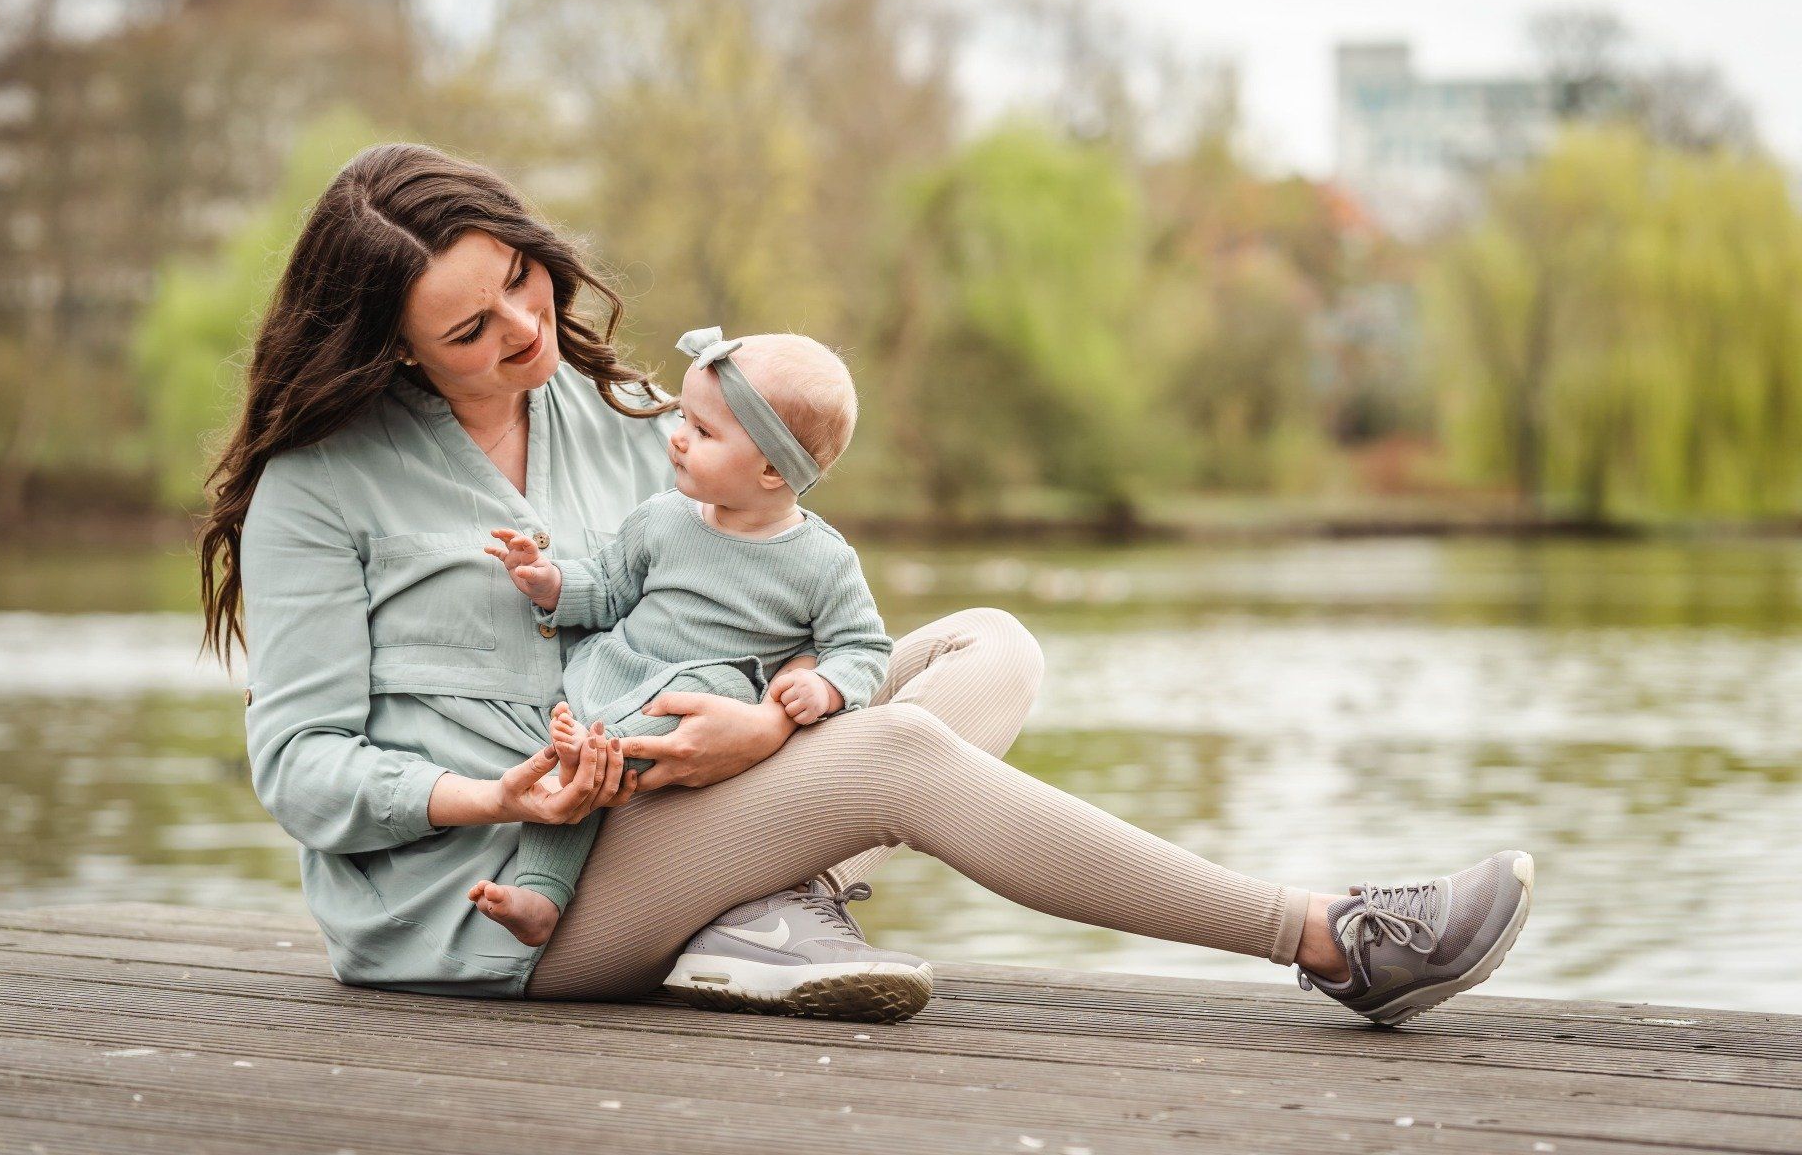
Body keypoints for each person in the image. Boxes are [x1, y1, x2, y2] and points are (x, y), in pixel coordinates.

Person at [202, 141, 1534, 1028]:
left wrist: (769, 720)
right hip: (498, 897)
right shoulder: (322, 486)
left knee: (992, 647)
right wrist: (495, 793)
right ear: (392, 347)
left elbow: (753, 582)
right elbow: (302, 768)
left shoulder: (614, 414)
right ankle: (1331, 937)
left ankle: (756, 909)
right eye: (470, 330)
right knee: (895, 754)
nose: (527, 328)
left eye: (520, 278)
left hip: (671, 784)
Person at [466, 325, 894, 971]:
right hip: (619, 674)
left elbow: (862, 646)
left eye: (703, 431)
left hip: (707, 697)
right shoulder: (663, 517)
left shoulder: (822, 562)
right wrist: (549, 581)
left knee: (607, 746)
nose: (677, 438)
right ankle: (541, 897)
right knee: (574, 760)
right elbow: (607, 587)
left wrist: (827, 685)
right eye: (683, 419)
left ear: (772, 469)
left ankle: (585, 787)